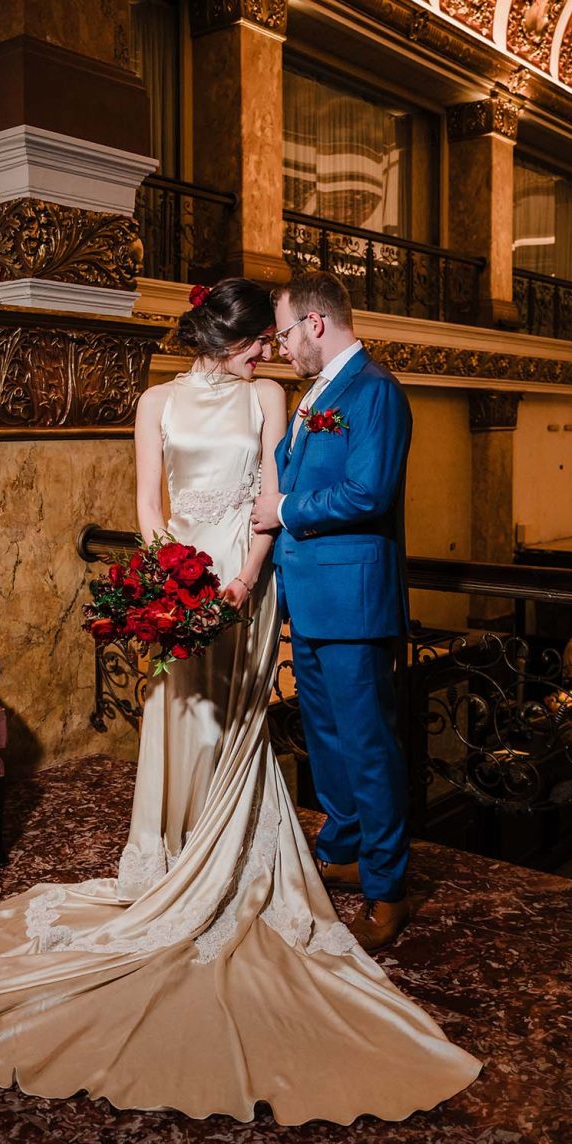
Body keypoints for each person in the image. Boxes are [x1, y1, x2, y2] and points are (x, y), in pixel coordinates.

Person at [0, 279, 480, 1124]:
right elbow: (149, 505)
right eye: (256, 340)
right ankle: (186, 847)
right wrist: (168, 580)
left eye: (276, 337)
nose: (269, 350)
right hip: (186, 580)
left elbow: (277, 499)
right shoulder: (157, 399)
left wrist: (240, 578)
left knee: (280, 725)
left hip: (255, 583)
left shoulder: (285, 396)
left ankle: (349, 866)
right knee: (201, 717)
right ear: (221, 339)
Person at [252, 271, 412, 954]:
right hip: (310, 600)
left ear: (315, 324)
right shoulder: (317, 394)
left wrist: (284, 510)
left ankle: (387, 888)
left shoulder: (374, 391)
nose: (281, 348)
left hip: (354, 603)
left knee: (369, 748)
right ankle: (344, 848)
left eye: (284, 333)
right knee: (327, 739)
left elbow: (366, 493)